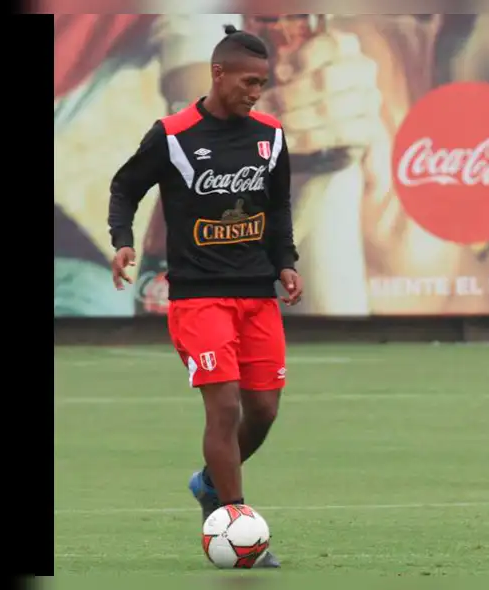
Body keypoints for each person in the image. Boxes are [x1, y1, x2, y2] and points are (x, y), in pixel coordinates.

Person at [107, 24, 303, 569]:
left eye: (262, 83)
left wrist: (285, 262)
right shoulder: (172, 134)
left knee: (263, 409)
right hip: (197, 298)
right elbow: (125, 187)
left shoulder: (270, 134)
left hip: (257, 294)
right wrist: (122, 242)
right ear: (217, 74)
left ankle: (207, 483)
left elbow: (279, 203)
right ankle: (234, 521)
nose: (255, 92)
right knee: (224, 405)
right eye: (247, 81)